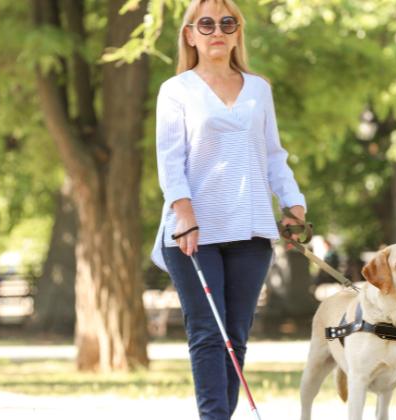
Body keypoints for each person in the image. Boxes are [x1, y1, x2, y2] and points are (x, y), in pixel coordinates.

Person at [149, 1, 307, 418]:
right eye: (206, 23)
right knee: (207, 333)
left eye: (227, 22)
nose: (217, 30)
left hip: (251, 229)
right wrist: (183, 211)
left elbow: (274, 156)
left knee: (235, 336)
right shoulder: (176, 90)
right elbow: (170, 159)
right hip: (193, 231)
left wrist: (293, 204)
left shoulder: (259, 89)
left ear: (237, 32)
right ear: (190, 34)